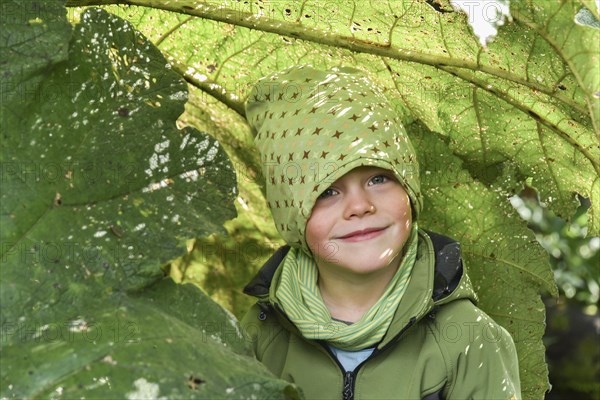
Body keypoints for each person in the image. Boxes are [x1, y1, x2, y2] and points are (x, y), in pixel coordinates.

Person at [241, 65, 521, 400]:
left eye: (378, 178)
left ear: (409, 188)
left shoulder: (471, 338)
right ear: (291, 215)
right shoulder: (259, 334)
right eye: (327, 191)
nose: (359, 206)